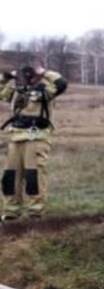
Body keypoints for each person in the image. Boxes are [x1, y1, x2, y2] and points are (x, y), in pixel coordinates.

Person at [0, 65, 68, 222]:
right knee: (10, 177)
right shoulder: (16, 93)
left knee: (33, 176)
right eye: (22, 76)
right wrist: (8, 75)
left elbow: (61, 83)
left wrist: (44, 72)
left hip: (36, 137)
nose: (25, 79)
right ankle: (11, 212)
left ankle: (35, 213)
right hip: (15, 137)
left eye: (28, 76)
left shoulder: (46, 91)